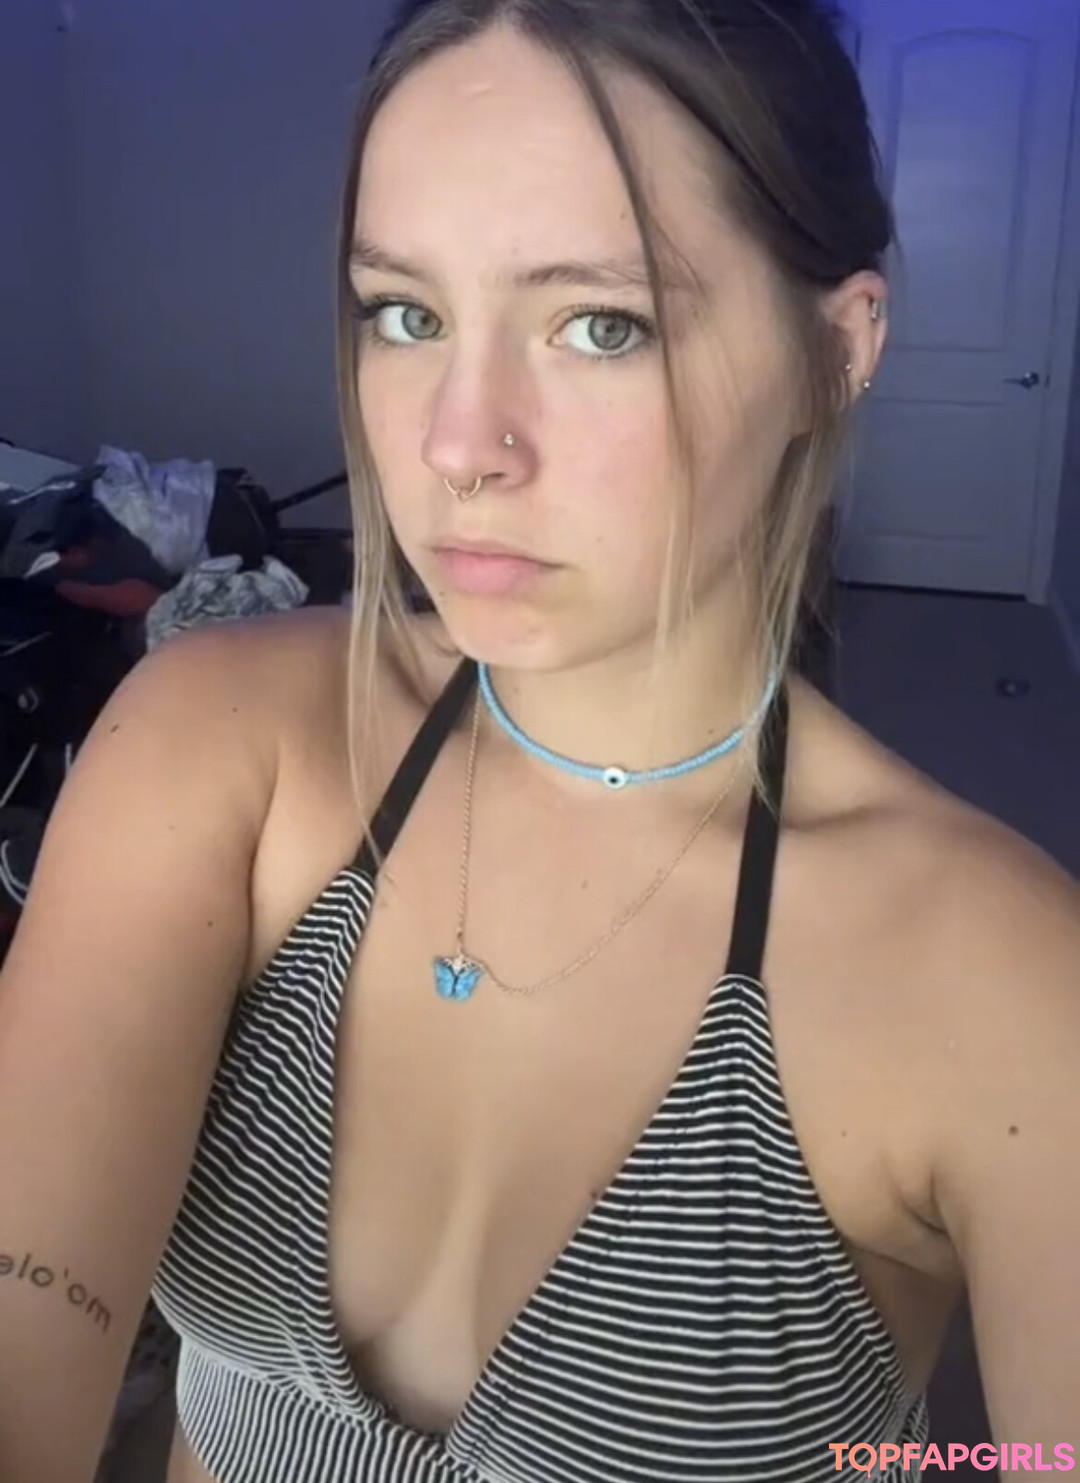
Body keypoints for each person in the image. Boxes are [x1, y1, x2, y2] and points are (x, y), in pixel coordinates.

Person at [1, 1, 1077, 1479]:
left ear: (836, 350)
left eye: (600, 326)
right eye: (406, 314)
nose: (457, 442)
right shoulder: (222, 740)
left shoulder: (1001, 980)